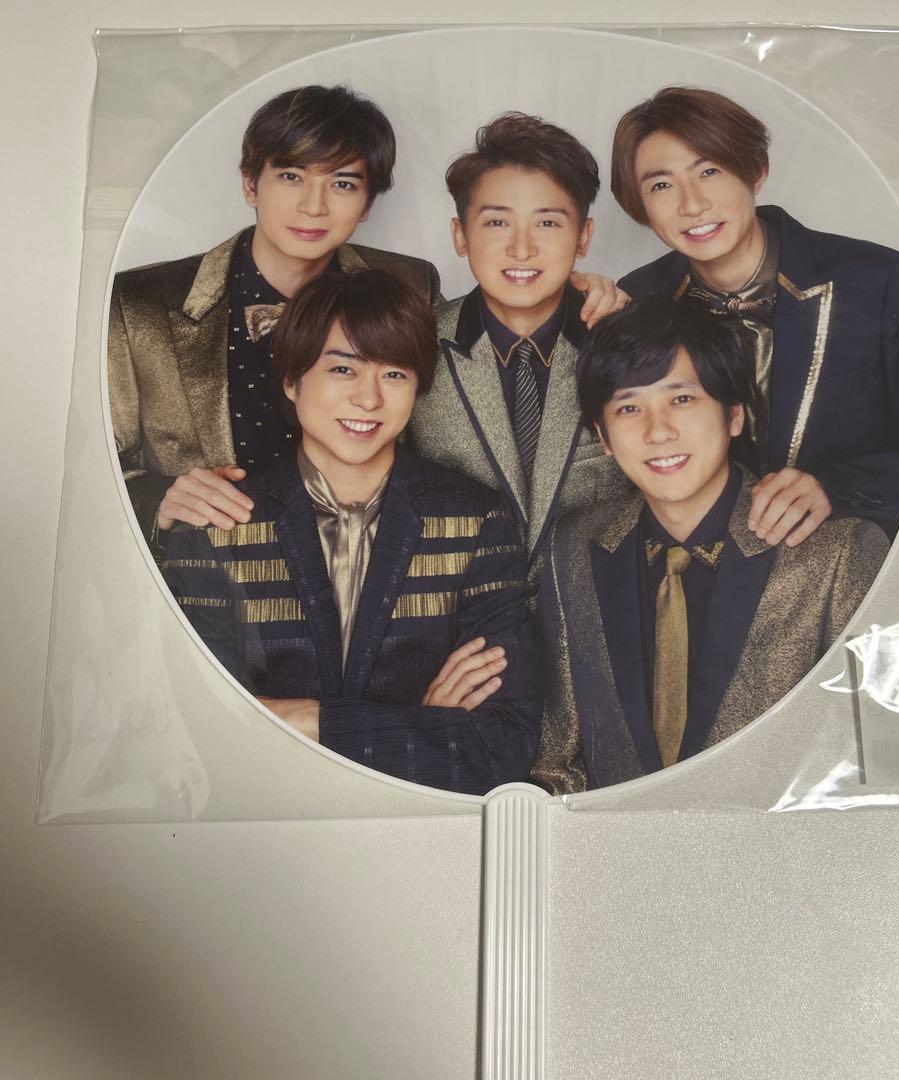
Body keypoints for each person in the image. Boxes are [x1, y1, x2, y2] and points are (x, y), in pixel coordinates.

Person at [162, 270, 540, 795]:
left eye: (395, 374)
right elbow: (198, 739)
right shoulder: (215, 526)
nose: (369, 399)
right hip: (263, 826)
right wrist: (418, 726)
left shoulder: (476, 521)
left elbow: (503, 748)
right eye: (343, 368)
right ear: (291, 380)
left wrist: (306, 719)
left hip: (421, 830)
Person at [531, 296, 888, 794]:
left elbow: (884, 759)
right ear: (603, 437)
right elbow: (555, 761)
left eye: (682, 399)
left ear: (734, 415)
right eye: (629, 407)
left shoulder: (838, 552)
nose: (658, 431)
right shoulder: (571, 548)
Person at [109, 84, 442, 549]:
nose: (313, 206)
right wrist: (158, 501)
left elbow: (442, 436)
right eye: (291, 176)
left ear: (368, 204)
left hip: (365, 562)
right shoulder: (140, 303)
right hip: (212, 573)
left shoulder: (410, 284)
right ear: (251, 184)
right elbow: (93, 467)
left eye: (342, 184)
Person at [611, 86, 899, 543]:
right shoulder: (638, 300)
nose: (692, 204)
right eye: (661, 185)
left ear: (756, 171)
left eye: (709, 171)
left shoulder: (882, 282)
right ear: (638, 204)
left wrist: (838, 486)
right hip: (706, 571)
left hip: (872, 560)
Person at [409, 113, 630, 583]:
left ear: (584, 237)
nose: (522, 249)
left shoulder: (631, 344)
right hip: (453, 613)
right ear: (460, 236)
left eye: (547, 222)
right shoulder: (414, 345)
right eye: (496, 222)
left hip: (599, 611)